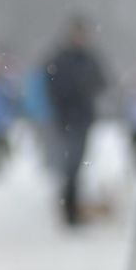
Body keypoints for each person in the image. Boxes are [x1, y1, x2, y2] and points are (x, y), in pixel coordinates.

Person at [43, 16, 110, 226]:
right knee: (69, 165)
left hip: (82, 119)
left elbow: (102, 82)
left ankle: (71, 206)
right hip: (65, 120)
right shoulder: (60, 59)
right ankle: (69, 209)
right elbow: (52, 86)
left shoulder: (89, 59)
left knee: (76, 164)